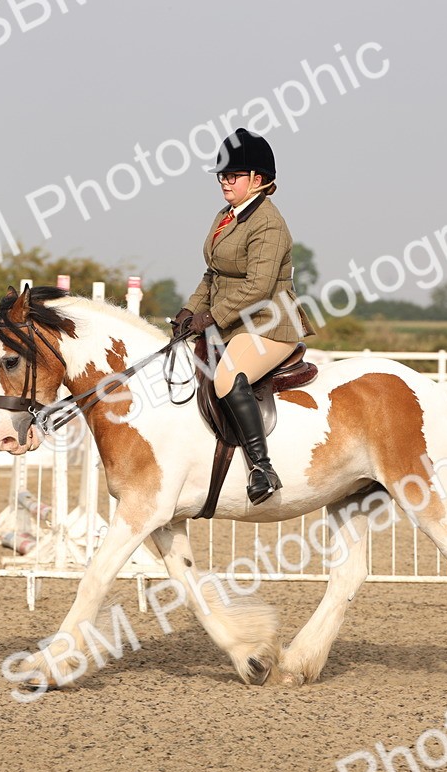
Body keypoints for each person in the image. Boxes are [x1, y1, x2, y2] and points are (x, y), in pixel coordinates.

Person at [172, 128, 315, 505]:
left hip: (270, 323)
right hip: (233, 322)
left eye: (233, 175)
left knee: (227, 377)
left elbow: (259, 286)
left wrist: (211, 317)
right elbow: (213, 274)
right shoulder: (226, 216)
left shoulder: (268, 221)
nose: (224, 182)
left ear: (258, 179)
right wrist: (191, 308)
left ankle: (262, 468)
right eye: (222, 175)